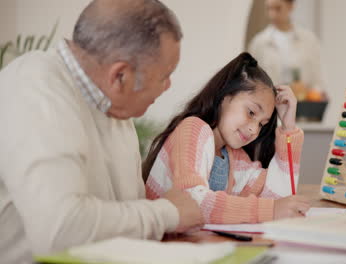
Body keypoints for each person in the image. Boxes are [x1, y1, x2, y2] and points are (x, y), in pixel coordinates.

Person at [0, 0, 203, 263]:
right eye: (165, 75)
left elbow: (124, 223)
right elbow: (60, 233)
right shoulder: (34, 89)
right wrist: (168, 213)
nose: (168, 85)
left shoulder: (115, 107)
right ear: (120, 76)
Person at [143, 52, 311, 224]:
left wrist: (288, 128)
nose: (254, 129)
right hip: (160, 244)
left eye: (262, 124)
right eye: (251, 112)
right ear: (224, 96)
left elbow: (277, 197)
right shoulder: (192, 130)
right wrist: (270, 209)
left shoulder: (236, 159)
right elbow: (191, 201)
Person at [248, 0, 326, 101]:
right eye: (269, 9)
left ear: (291, 6)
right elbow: (252, 82)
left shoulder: (309, 40)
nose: (272, 14)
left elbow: (318, 80)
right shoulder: (258, 43)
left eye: (278, 8)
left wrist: (312, 93)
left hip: (304, 109)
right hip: (272, 108)